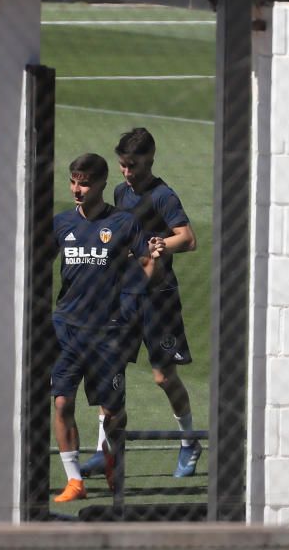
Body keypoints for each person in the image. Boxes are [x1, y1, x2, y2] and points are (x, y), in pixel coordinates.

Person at [80, 127, 201, 479]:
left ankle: (189, 441)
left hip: (159, 298)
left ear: (150, 159)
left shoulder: (164, 196)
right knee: (109, 369)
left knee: (164, 378)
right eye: (122, 165)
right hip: (125, 294)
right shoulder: (120, 191)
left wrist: (162, 243)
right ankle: (106, 451)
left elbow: (188, 238)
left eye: (133, 165)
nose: (126, 172)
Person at [51, 153, 159, 503]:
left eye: (84, 182)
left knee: (112, 411)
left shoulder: (124, 223)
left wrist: (130, 306)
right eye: (73, 181)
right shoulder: (62, 223)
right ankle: (74, 481)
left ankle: (111, 460)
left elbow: (147, 262)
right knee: (62, 402)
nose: (77, 189)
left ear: (100, 184)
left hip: (108, 333)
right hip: (68, 329)